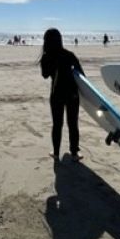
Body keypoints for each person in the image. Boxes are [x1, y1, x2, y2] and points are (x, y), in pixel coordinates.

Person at [40, 28, 83, 162]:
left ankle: (56, 153)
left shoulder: (46, 56)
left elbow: (45, 75)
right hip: (72, 94)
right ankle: (74, 153)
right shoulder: (69, 54)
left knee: (57, 124)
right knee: (73, 124)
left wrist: (52, 63)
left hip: (57, 93)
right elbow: (81, 74)